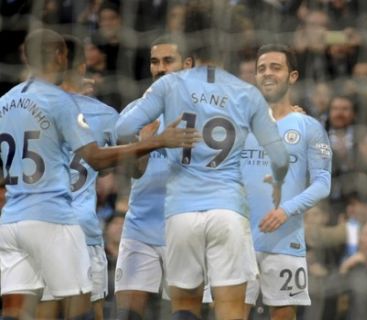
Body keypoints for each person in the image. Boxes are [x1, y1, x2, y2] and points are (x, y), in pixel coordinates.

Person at [0, 28, 199, 320]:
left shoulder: (5, 101)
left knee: (17, 313)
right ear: (60, 58)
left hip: (13, 221)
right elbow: (95, 158)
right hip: (59, 222)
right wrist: (154, 141)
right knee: (81, 310)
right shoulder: (72, 106)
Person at [115, 4, 290, 318]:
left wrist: (157, 140)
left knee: (184, 307)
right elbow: (278, 155)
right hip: (228, 211)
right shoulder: (246, 93)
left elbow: (122, 129)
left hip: (180, 215)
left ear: (188, 44)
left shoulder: (169, 85)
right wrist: (277, 183)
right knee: (232, 307)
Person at [242, 44, 332, 320]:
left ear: (292, 76)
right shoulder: (240, 123)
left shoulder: (309, 127)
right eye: (261, 68)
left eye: (275, 67)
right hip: (238, 239)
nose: (267, 73)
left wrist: (285, 210)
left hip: (285, 240)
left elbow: (323, 183)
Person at [34, 34, 118, 320]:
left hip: (37, 227)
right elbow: (108, 170)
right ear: (82, 68)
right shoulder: (106, 115)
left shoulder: (20, 107)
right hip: (81, 231)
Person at [114, 34, 194, 320]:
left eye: (168, 61)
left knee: (184, 315)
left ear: (186, 65)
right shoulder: (134, 113)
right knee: (126, 315)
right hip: (140, 230)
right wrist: (146, 143)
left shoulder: (206, 112)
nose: (160, 68)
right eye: (155, 61)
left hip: (185, 230)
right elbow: (132, 172)